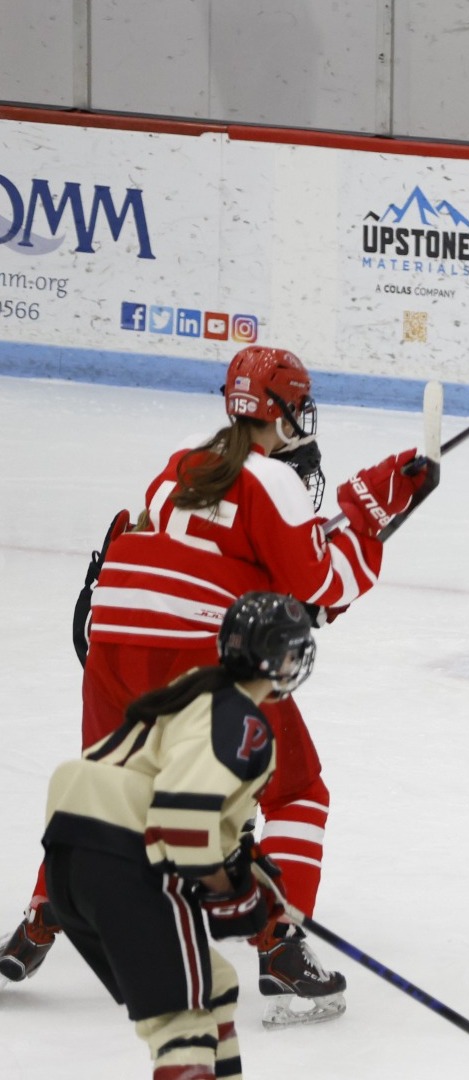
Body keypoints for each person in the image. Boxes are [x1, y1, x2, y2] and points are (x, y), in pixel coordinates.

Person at [1, 345, 434, 1026]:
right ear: (286, 410)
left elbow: (190, 550)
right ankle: (283, 947)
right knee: (296, 787)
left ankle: (36, 923)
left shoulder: (180, 459)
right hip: (192, 653)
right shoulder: (275, 483)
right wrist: (371, 520)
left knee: (112, 788)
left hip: (113, 642)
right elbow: (320, 587)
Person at [41, 591, 314, 1080]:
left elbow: (190, 809)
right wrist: (232, 891)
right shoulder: (242, 723)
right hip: (120, 851)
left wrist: (246, 871)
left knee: (214, 985)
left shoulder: (196, 689)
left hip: (68, 852)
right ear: (277, 658)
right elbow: (182, 822)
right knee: (182, 1022)